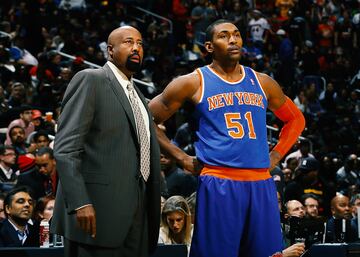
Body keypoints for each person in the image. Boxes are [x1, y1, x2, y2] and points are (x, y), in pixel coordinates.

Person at [149, 19, 305, 257]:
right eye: (224, 36)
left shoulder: (262, 81)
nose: (232, 39)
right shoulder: (193, 81)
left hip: (261, 182)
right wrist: (180, 157)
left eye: (236, 34)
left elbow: (296, 120)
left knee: (270, 254)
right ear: (209, 47)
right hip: (219, 180)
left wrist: (276, 154)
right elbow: (145, 118)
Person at [50, 25, 161, 257]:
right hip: (97, 212)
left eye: (140, 43)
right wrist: (80, 202)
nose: (136, 48)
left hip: (138, 212)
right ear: (110, 50)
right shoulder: (91, 79)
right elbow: (65, 148)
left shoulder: (138, 95)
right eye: (128, 42)